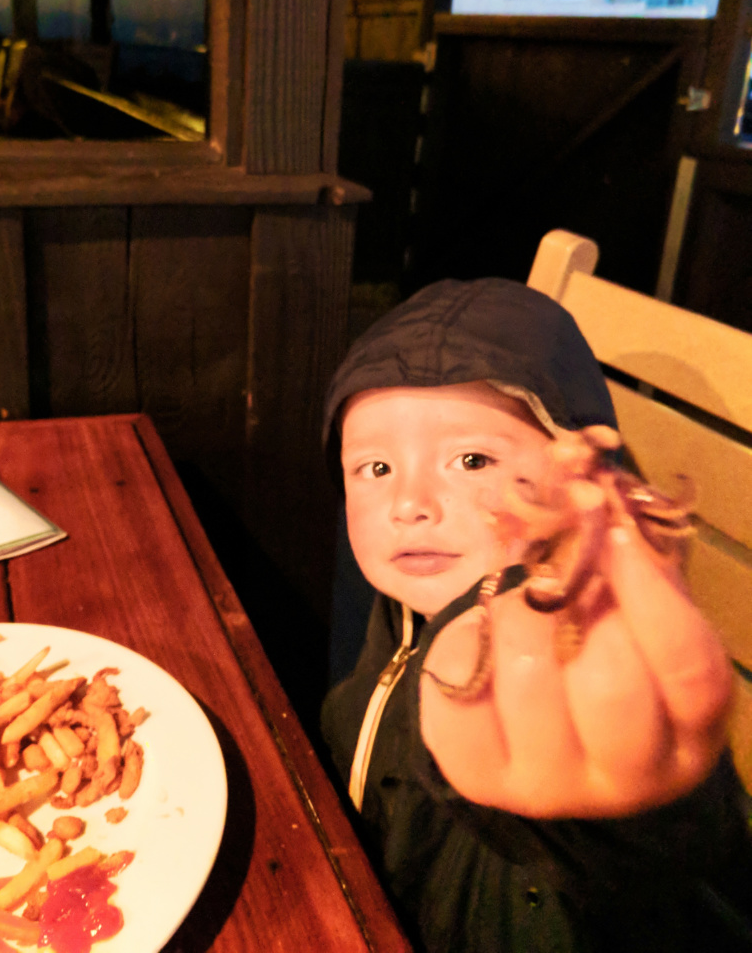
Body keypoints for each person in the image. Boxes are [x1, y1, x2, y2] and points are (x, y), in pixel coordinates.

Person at [321, 277, 752, 953]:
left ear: (572, 483)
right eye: (374, 468)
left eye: (471, 460)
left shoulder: (568, 645)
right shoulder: (398, 607)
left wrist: (629, 804)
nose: (408, 504)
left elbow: (660, 864)